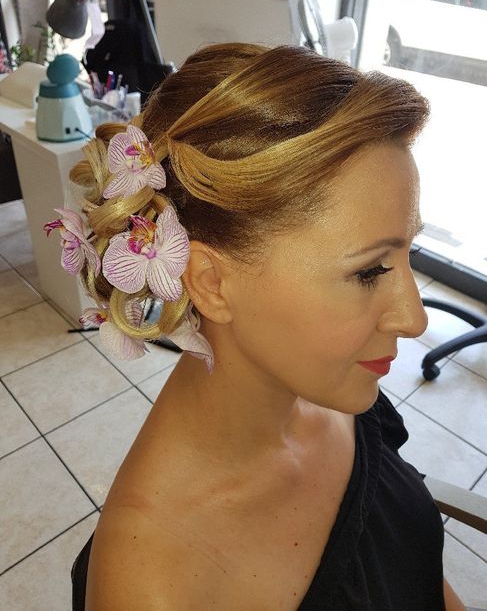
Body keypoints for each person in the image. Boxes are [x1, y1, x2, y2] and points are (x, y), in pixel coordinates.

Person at [50, 43, 465, 609]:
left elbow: (413, 570)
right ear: (211, 283)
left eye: (408, 252)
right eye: (369, 271)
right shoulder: (155, 586)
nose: (415, 319)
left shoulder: (329, 385)